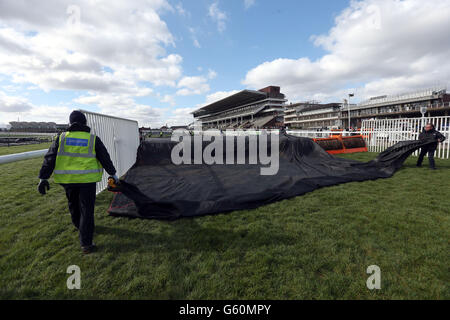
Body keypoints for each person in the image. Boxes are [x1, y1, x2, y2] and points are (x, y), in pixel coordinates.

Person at [37, 111, 119, 254]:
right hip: (87, 181)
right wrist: (113, 174)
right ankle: (86, 242)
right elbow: (104, 158)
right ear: (85, 123)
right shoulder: (93, 139)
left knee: (73, 206)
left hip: (68, 181)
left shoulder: (60, 138)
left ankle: (80, 227)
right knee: (87, 210)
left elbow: (49, 158)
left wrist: (43, 178)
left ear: (70, 123)